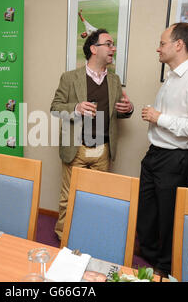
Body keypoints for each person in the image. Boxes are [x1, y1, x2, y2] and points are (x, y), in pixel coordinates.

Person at [136, 22, 188, 277]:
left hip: (178, 158)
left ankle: (165, 267)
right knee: (147, 211)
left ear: (178, 45)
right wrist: (158, 118)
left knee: (169, 217)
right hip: (156, 154)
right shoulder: (171, 77)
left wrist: (160, 118)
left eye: (162, 43)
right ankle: (147, 256)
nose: (158, 49)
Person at [50, 29, 134, 240]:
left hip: (103, 149)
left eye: (113, 44)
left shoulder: (115, 80)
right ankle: (63, 237)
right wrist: (76, 108)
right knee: (69, 197)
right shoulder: (70, 78)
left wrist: (129, 109)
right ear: (94, 49)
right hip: (76, 147)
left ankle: (90, 234)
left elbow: (117, 113)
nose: (113, 48)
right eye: (109, 44)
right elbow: (55, 108)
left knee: (97, 196)